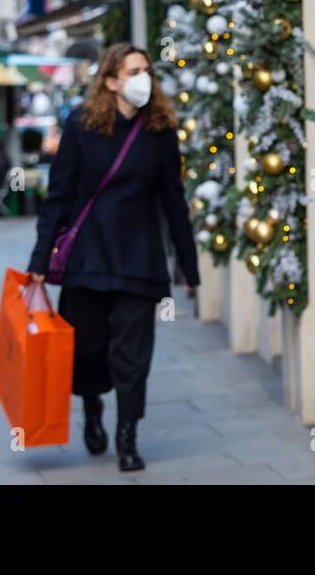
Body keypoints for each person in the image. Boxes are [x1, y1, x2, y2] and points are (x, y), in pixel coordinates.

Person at [27, 44, 200, 472]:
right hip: (87, 259)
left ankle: (128, 437)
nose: (144, 78)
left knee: (133, 357)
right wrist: (38, 260)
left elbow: (173, 202)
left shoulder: (159, 131)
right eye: (133, 70)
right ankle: (91, 408)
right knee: (86, 351)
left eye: (147, 70)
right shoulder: (83, 126)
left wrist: (188, 266)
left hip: (140, 260)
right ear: (110, 81)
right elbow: (59, 197)